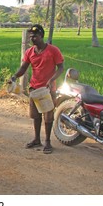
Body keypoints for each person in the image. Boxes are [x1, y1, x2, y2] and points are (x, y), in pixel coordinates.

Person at [9, 24, 64, 154]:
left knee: (48, 116)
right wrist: (14, 77)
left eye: (35, 36)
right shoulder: (29, 52)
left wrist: (51, 80)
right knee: (36, 116)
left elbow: (61, 67)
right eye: (31, 36)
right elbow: (24, 68)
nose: (32, 38)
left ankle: (48, 142)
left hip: (47, 89)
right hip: (34, 88)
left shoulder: (53, 50)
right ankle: (37, 139)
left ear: (42, 36)